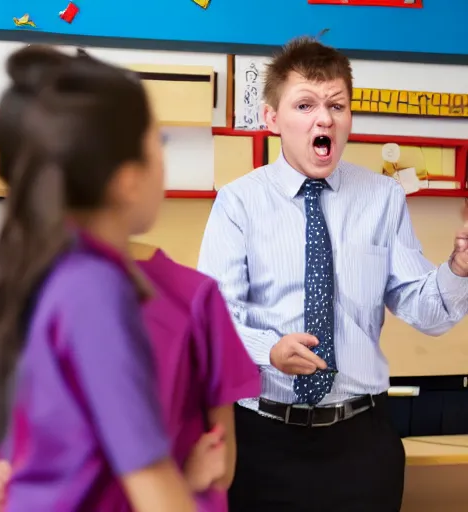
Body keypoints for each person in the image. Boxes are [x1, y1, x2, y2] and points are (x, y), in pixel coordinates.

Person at [0, 46, 261, 512]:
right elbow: (149, 481)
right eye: (159, 144)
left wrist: (185, 476)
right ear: (127, 179)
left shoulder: (50, 275)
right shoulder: (96, 291)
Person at [197, 36, 468, 511]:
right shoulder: (238, 202)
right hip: (262, 441)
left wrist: (459, 268)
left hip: (361, 442)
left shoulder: (383, 197)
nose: (324, 118)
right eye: (305, 105)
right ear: (272, 119)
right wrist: (270, 351)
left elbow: (428, 311)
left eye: (337, 106)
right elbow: (216, 321)